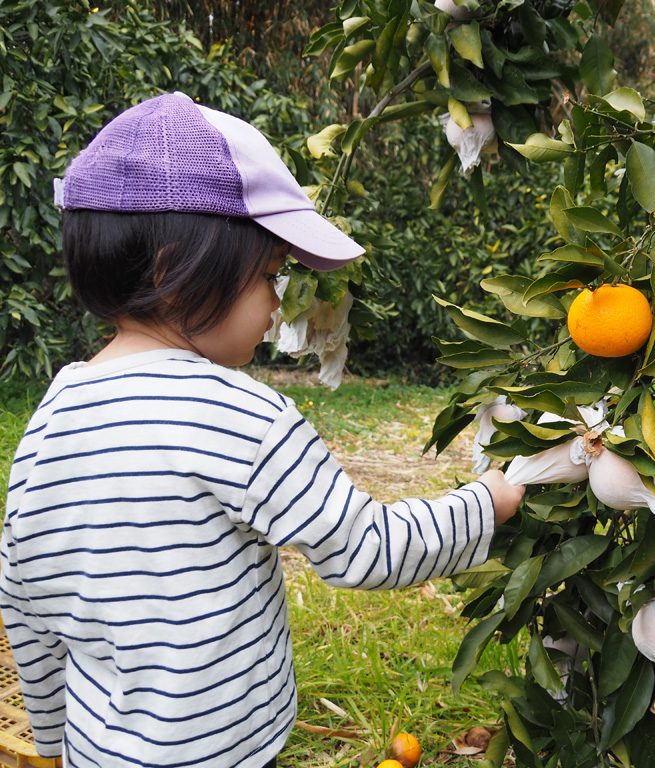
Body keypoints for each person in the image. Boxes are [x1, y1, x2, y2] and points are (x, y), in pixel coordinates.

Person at [0, 92, 524, 768]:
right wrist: (491, 500)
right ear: (171, 270)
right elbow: (366, 547)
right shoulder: (239, 414)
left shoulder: (51, 418)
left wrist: (50, 743)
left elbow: (26, 600)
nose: (279, 303)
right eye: (270, 276)